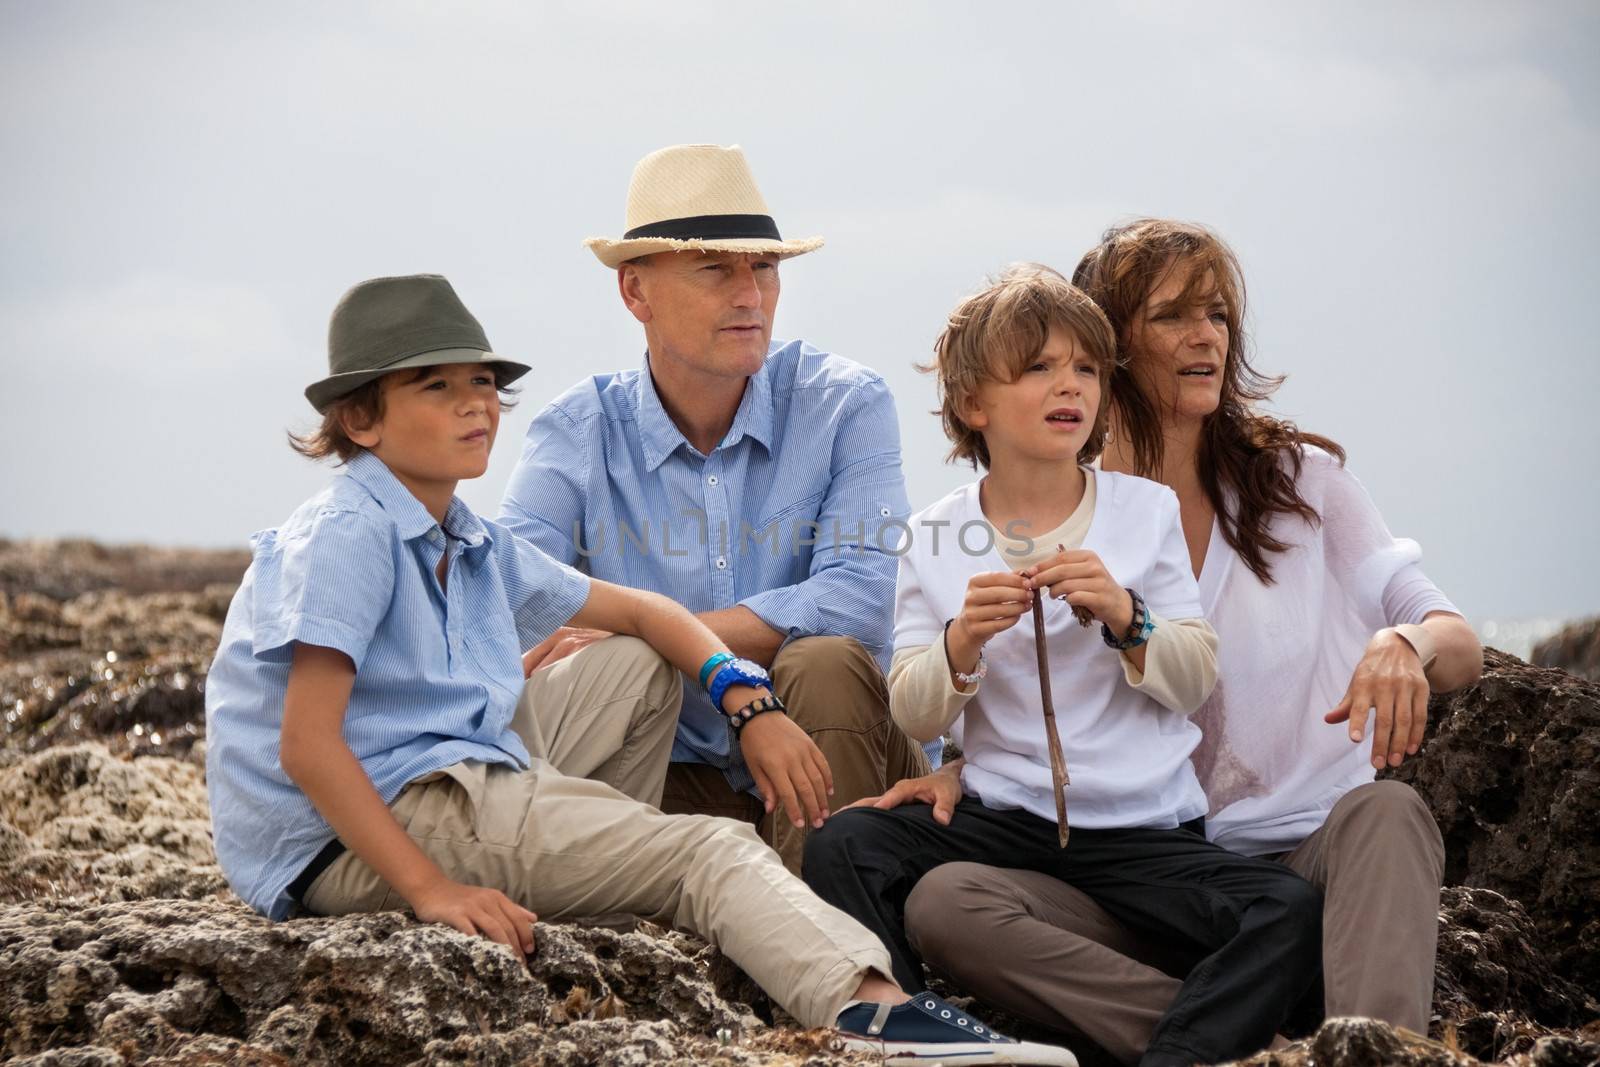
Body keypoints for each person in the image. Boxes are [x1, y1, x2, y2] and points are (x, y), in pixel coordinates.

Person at [203, 273, 1074, 1067]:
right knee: (710, 849)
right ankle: (878, 1015)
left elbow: (643, 612)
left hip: (447, 770)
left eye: (482, 384)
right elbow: (308, 746)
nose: (477, 408)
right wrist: (432, 891)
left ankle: (608, 875)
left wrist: (746, 698)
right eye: (437, 387)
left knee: (642, 659)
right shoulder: (350, 530)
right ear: (361, 419)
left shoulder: (464, 535)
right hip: (357, 833)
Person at [893, 221, 1484, 1056]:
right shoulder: (1069, 507)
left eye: (1217, 313)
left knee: (1389, 810)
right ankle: (1234, 1039)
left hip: (1304, 866)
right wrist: (965, 763)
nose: (1206, 334)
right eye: (1172, 315)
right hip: (1141, 887)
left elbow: (1455, 641)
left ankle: (1368, 1052)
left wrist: (1404, 642)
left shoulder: (1303, 485)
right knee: (948, 902)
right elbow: (1026, 698)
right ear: (1109, 344)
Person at [801, 267, 1325, 1067]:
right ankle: (921, 1032)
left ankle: (1176, 1055)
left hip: (1144, 831)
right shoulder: (936, 534)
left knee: (1285, 907)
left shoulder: (1142, 513)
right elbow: (913, 710)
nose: (1069, 386)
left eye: (1085, 368)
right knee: (845, 844)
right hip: (1003, 822)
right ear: (975, 404)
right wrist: (959, 643)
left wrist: (1128, 617)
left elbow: (1194, 681)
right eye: (1039, 368)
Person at [498, 144, 933, 875]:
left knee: (825, 660)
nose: (750, 294)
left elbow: (863, 598)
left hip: (839, 759)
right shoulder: (574, 433)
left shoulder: (845, 404)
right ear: (635, 293)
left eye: (763, 267)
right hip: (673, 776)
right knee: (599, 683)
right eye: (716, 268)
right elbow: (505, 602)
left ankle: (834, 943)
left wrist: (653, 629)